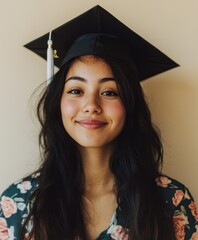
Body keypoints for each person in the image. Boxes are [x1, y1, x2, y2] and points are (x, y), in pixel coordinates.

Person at [0, 5, 197, 240]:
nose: (91, 104)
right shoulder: (19, 203)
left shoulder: (171, 201)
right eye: (76, 90)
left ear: (130, 105)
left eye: (109, 92)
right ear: (58, 103)